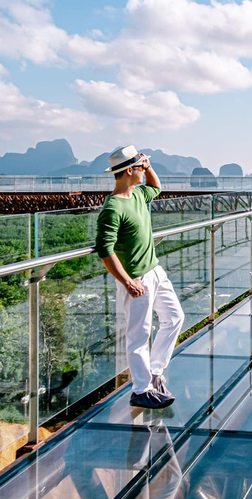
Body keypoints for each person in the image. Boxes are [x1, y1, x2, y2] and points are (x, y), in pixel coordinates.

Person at [96, 145, 184, 409]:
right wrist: (127, 281)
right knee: (139, 334)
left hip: (155, 270)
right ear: (129, 171)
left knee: (175, 318)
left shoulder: (138, 195)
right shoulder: (113, 207)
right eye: (140, 167)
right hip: (136, 278)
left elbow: (156, 187)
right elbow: (105, 249)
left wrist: (149, 166)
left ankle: (155, 373)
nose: (144, 170)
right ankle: (141, 389)